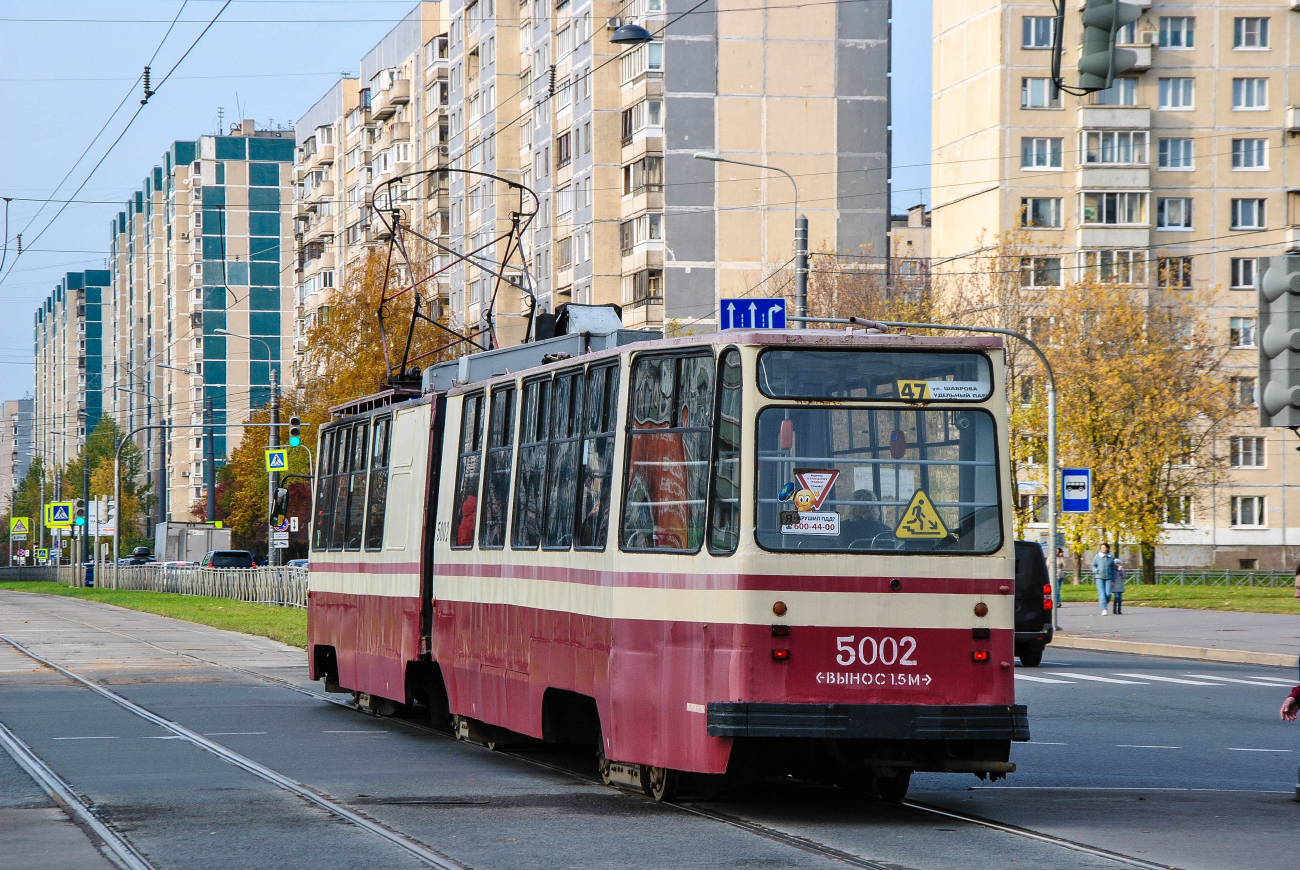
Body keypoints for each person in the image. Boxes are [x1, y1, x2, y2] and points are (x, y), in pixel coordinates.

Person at [1090, 543, 1117, 615]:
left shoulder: (1111, 557)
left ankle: (1105, 602)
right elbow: (1093, 566)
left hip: (1109, 577)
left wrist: (1113, 580)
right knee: (1102, 594)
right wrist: (1097, 571)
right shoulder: (1097, 557)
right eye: (1101, 547)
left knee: (1108, 594)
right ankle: (1104, 609)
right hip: (1099, 577)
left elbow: (1113, 569)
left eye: (1104, 547)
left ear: (1107, 548)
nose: (1103, 549)